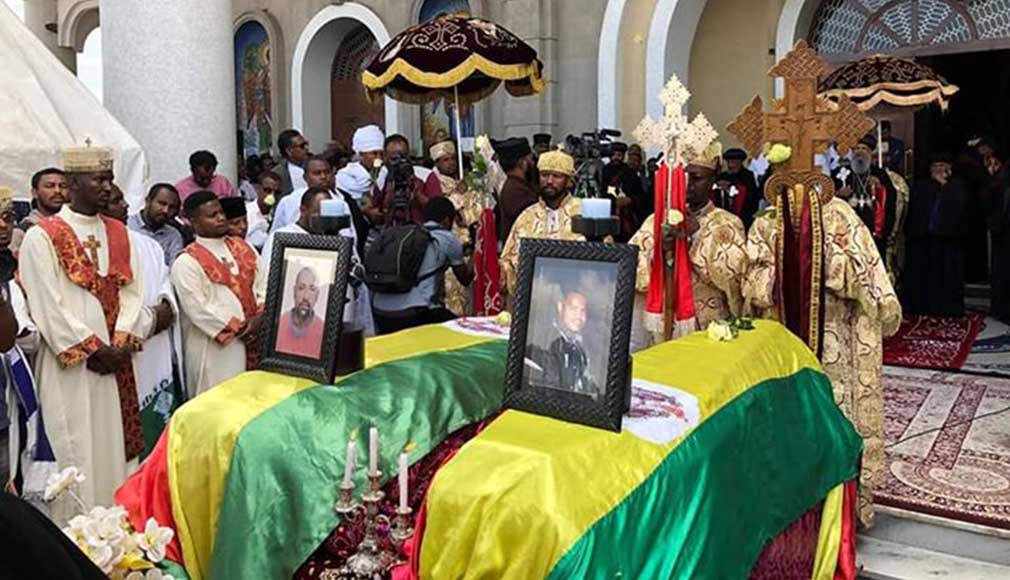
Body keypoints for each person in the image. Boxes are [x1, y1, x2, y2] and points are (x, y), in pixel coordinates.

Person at [745, 164, 901, 528]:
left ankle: (841, 517)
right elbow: (748, 285)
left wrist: (818, 260)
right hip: (779, 341)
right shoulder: (766, 222)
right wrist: (785, 264)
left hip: (836, 340)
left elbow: (870, 284)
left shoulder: (842, 218)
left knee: (835, 426)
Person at [20, 144, 147, 508]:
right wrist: (93, 348)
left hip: (116, 363)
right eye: (99, 179)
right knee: (74, 444)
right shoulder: (42, 236)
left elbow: (134, 292)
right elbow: (46, 303)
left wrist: (120, 342)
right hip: (73, 368)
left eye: (110, 179)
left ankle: (116, 535)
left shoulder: (120, 233)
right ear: (73, 183)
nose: (108, 187)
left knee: (114, 447)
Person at [630, 142, 747, 348]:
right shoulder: (655, 220)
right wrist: (659, 252)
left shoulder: (727, 222)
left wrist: (695, 237)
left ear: (712, 180)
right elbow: (634, 269)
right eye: (683, 177)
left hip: (709, 322)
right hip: (665, 322)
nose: (688, 184)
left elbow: (733, 277)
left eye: (696, 178)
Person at [103, 185, 183, 456]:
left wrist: (161, 312)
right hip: (113, 352)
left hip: (151, 348)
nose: (125, 206)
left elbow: (165, 289)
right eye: (116, 201)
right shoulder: (91, 248)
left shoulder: (148, 245)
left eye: (123, 199)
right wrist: (146, 323)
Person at [171, 191, 265, 396]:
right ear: (194, 222)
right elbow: (197, 308)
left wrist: (260, 317)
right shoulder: (186, 261)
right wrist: (239, 327)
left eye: (221, 213)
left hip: (255, 337)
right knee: (219, 403)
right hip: (216, 347)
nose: (221, 218)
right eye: (212, 215)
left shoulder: (244, 247)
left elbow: (263, 284)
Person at [262, 187, 375, 336]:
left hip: (339, 322)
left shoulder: (338, 238)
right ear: (303, 210)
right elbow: (270, 281)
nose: (324, 220)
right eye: (318, 213)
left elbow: (357, 278)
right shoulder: (283, 237)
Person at [372, 197, 473, 334]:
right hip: (415, 313)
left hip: (380, 310)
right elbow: (465, 278)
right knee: (461, 333)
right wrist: (477, 249)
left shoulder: (408, 233)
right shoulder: (448, 238)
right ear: (447, 220)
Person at [501, 148, 587, 296]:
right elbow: (507, 260)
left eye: (557, 176)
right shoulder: (527, 216)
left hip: (576, 298)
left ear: (569, 181)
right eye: (544, 175)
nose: (549, 181)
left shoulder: (584, 213)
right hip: (536, 297)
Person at [901, 153, 967, 317]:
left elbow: (960, 211)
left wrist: (945, 186)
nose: (938, 170)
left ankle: (947, 308)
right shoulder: (921, 186)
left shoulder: (957, 186)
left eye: (942, 166)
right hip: (923, 239)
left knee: (947, 275)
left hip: (947, 241)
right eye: (935, 167)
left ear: (949, 169)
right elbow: (914, 212)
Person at [431, 140, 481, 316]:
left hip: (468, 251)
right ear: (436, 162)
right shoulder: (435, 183)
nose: (451, 163)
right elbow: (442, 208)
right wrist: (458, 195)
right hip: (449, 254)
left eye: (453, 158)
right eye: (445, 159)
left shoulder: (463, 182)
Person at [833, 134, 897, 259]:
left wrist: (879, 189)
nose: (860, 152)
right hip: (847, 232)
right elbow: (827, 197)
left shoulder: (880, 174)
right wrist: (838, 194)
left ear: (870, 153)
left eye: (864, 149)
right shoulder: (840, 173)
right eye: (857, 149)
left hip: (873, 231)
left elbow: (890, 201)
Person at [525, 289, 598, 399]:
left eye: (583, 311)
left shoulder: (582, 343)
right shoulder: (545, 341)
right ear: (560, 307)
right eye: (573, 308)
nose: (579, 316)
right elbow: (549, 392)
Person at [368, 132, 442, 227]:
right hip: (392, 233)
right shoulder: (382, 178)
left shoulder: (425, 175)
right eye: (393, 159)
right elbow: (376, 213)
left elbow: (438, 211)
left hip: (421, 232)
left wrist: (417, 194)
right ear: (385, 157)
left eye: (402, 157)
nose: (398, 162)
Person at [271, 156, 337, 233]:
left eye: (327, 172)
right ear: (305, 177)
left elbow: (349, 237)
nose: (323, 177)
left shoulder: (340, 201)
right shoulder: (289, 201)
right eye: (317, 173)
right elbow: (276, 233)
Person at [12, 168, 68, 253]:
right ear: (35, 193)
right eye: (50, 186)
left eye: (63, 186)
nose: (58, 191)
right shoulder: (24, 230)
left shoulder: (75, 224)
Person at [602, 142, 649, 242]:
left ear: (623, 156)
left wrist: (630, 200)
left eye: (619, 155)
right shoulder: (604, 171)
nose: (616, 158)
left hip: (627, 217)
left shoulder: (629, 172)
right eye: (614, 155)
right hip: (608, 212)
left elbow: (641, 195)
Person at [128, 183, 185, 265]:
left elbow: (174, 268)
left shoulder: (173, 236)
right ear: (148, 201)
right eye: (162, 203)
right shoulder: (127, 225)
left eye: (171, 207)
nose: (165, 210)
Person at [275, 267, 326, 358]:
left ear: (317, 295)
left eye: (312, 289)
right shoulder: (279, 323)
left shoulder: (324, 330)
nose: (306, 297)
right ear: (294, 291)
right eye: (301, 288)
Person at [494, 137, 539, 240]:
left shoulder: (517, 185)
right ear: (522, 163)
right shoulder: (516, 190)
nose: (533, 163)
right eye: (530, 159)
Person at [335, 125, 386, 202]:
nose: (379, 158)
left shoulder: (384, 173)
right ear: (361, 154)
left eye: (381, 154)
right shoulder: (344, 176)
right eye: (374, 153)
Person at [713, 148, 761, 229]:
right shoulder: (723, 176)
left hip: (744, 217)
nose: (730, 165)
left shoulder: (749, 176)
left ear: (740, 162)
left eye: (733, 161)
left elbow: (754, 197)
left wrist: (734, 187)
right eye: (728, 161)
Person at [246, 171, 278, 250]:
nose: (272, 195)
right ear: (258, 189)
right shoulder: (247, 212)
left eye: (277, 192)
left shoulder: (278, 214)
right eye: (268, 191)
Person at [276, 129, 310, 199]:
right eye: (302, 146)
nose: (306, 148)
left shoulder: (314, 166)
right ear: (289, 151)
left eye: (306, 144)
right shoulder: (278, 173)